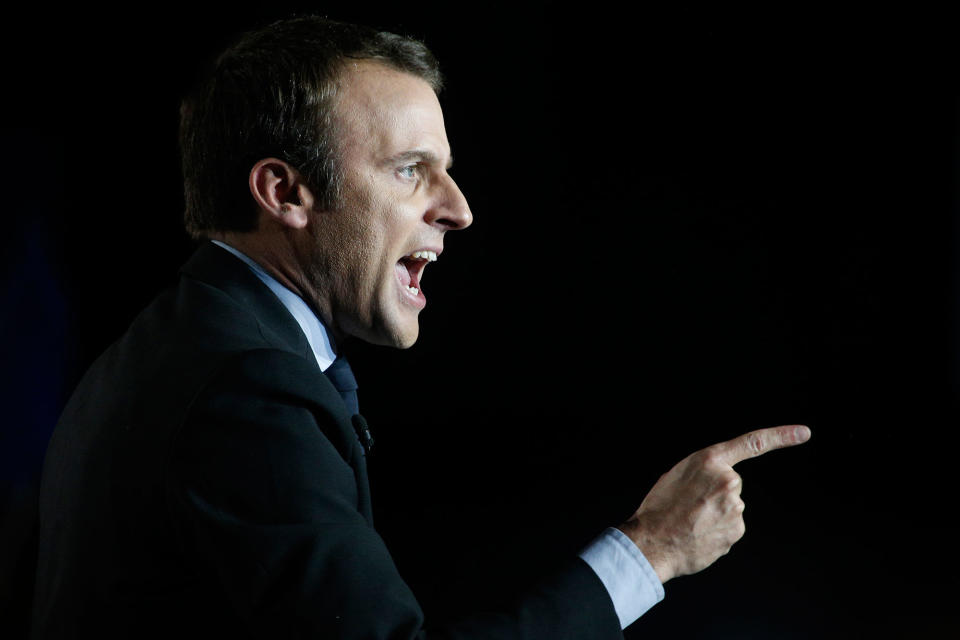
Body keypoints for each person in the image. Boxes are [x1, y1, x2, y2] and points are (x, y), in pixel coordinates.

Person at [31, 16, 811, 639]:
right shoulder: (244, 389)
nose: (458, 208)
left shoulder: (178, 346)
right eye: (410, 169)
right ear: (285, 191)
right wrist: (654, 550)